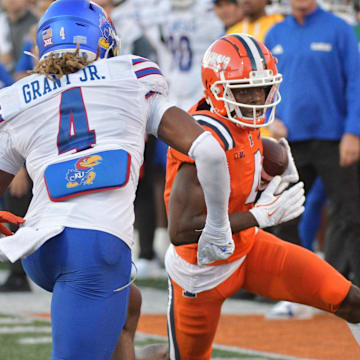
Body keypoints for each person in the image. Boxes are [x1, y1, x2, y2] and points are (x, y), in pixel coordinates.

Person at [0, 1, 234, 359]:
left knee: (126, 308)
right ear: (104, 41)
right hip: (94, 248)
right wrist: (218, 227)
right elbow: (209, 151)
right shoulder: (132, 74)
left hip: (38, 245)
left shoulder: (19, 96)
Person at [162, 33, 360, 360]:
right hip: (201, 272)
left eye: (263, 88)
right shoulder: (202, 139)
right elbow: (181, 230)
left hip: (250, 249)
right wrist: (258, 215)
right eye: (245, 90)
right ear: (217, 90)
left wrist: (268, 176)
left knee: (348, 299)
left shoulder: (242, 120)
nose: (257, 98)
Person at [265, 0, 360, 285]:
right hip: (290, 142)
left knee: (352, 215)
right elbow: (264, 84)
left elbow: (356, 82)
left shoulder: (339, 30)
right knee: (285, 217)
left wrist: (353, 132)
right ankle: (293, 288)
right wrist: (270, 118)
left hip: (334, 140)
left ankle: (353, 288)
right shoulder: (276, 33)